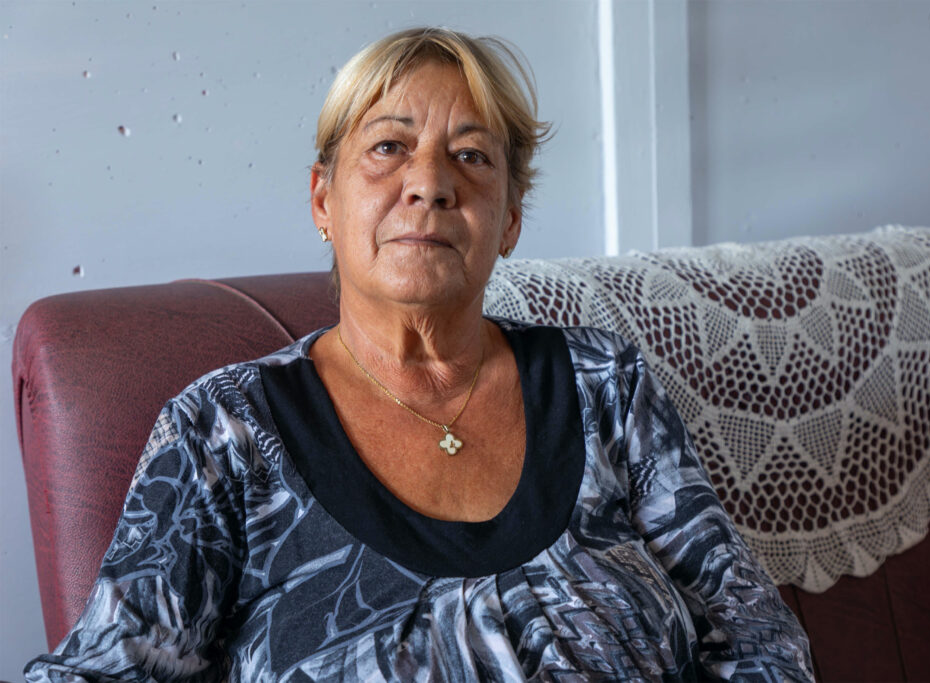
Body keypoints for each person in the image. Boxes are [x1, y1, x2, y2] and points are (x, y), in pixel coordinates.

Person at [26, 27, 812, 681]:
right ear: (323, 199)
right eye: (389, 146)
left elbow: (760, 644)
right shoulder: (224, 431)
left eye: (471, 156)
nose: (430, 183)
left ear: (509, 219)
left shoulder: (605, 384)